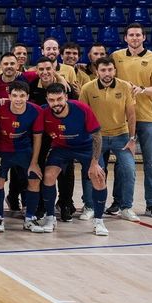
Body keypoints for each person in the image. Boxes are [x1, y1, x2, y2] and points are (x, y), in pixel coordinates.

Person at [35, 83, 109, 236]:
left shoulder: (81, 109)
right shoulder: (43, 112)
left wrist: (94, 163)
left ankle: (99, 221)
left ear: (66, 97)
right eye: (52, 100)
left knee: (99, 177)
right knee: (48, 176)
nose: (56, 103)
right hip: (62, 148)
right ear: (47, 100)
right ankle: (50, 218)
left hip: (86, 147)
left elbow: (97, 136)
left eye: (59, 99)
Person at [110, 23, 152, 218]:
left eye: (138, 35)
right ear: (125, 38)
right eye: (131, 35)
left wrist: (141, 89)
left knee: (150, 162)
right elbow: (103, 72)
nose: (134, 38)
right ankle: (117, 202)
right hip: (124, 119)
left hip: (148, 117)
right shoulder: (116, 56)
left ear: (144, 38)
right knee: (122, 162)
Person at [80, 57, 140, 223]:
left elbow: (131, 113)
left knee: (129, 170)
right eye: (103, 70)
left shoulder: (125, 86)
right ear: (96, 71)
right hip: (96, 137)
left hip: (121, 136)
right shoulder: (87, 88)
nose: (107, 73)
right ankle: (90, 206)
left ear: (114, 70)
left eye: (110, 70)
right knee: (95, 171)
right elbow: (82, 116)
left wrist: (132, 138)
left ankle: (126, 207)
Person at [0, 80, 44, 233]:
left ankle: (30, 218)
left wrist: (34, 162)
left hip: (24, 150)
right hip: (2, 150)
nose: (18, 99)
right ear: (8, 96)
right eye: (15, 95)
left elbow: (38, 137)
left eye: (22, 96)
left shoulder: (36, 110)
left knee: (34, 179)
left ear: (28, 96)